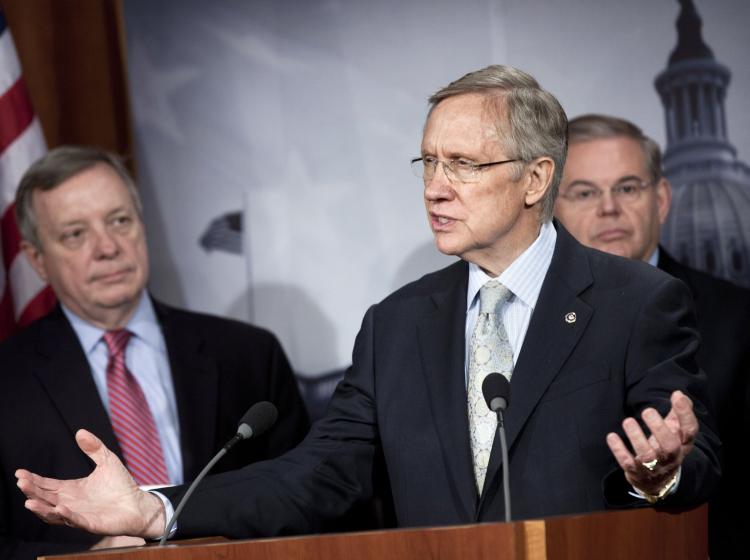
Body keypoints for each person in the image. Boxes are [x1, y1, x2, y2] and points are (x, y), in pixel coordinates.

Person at [16, 66, 720, 542]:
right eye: (428, 163)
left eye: (464, 165)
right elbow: (317, 475)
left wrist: (664, 473)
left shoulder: (638, 301)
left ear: (536, 179)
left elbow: (695, 458)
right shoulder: (398, 324)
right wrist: (156, 508)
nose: (435, 187)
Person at [0, 146, 310, 558]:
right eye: (76, 234)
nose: (107, 247)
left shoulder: (248, 355)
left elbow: (307, 501)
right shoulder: (6, 382)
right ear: (38, 260)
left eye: (119, 220)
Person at [553, 113, 750, 559]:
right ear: (551, 209)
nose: (609, 208)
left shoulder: (739, 318)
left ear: (660, 199)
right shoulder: (528, 322)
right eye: (584, 192)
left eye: (627, 188)